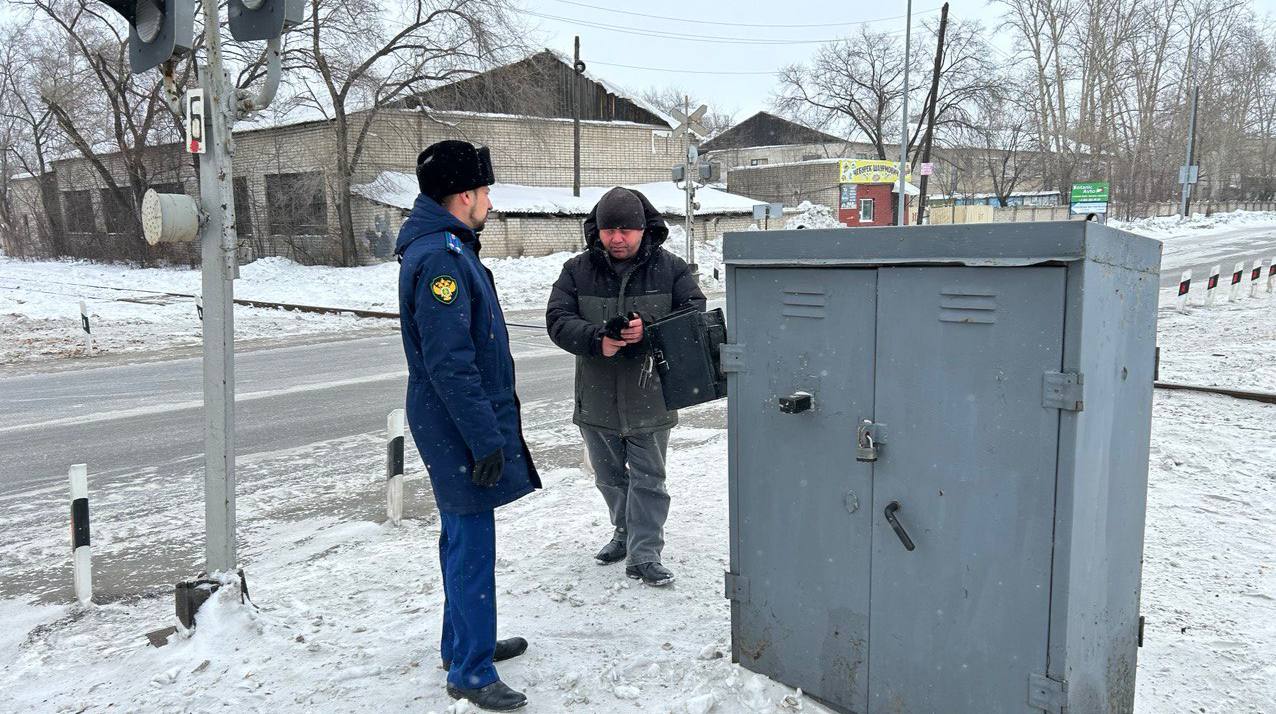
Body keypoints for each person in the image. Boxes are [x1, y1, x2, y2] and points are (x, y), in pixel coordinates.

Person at [396, 139, 540, 712]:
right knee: (471, 543)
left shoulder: (448, 246)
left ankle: (463, 645)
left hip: (450, 416)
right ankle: (472, 672)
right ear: (464, 195)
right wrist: (485, 439)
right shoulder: (442, 259)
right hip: (455, 422)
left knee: (461, 537)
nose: (488, 200)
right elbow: (449, 362)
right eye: (484, 191)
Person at [545, 187, 706, 587]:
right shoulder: (576, 271)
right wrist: (596, 338)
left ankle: (645, 553)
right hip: (596, 398)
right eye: (608, 229)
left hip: (650, 394)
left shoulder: (671, 269)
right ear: (596, 231)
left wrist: (647, 332)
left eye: (626, 229)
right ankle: (624, 531)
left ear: (643, 229)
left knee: (649, 480)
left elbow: (694, 313)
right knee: (609, 477)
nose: (617, 238)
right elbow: (557, 320)